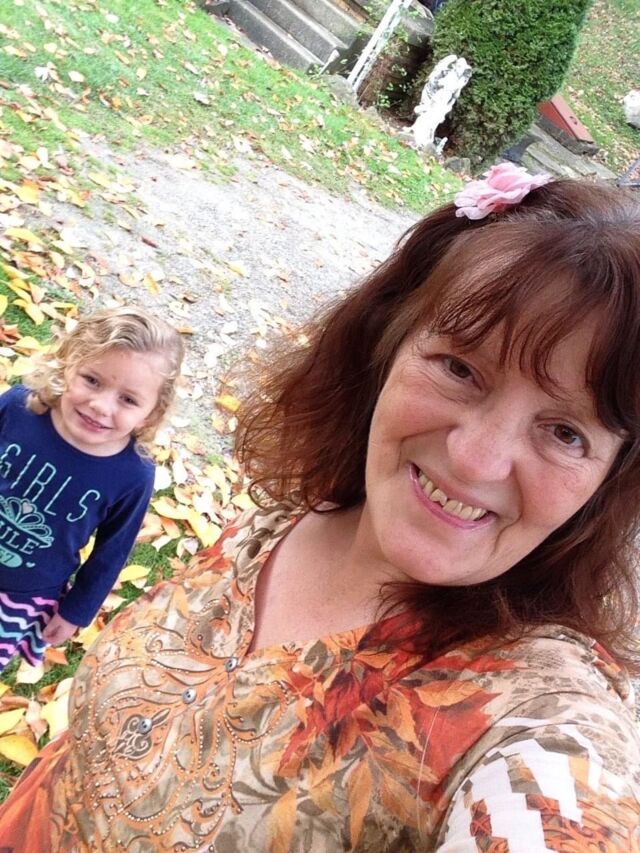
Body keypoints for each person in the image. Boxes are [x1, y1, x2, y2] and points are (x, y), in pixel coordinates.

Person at [0, 166, 639, 850]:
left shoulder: (532, 715)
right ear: (386, 344)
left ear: (610, 481)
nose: (476, 460)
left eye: (565, 432)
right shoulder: (297, 514)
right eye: (460, 368)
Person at [0, 306, 183, 672]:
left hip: (19, 598)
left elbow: (111, 552)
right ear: (67, 364)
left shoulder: (133, 475)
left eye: (128, 399)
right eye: (92, 380)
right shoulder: (20, 409)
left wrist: (76, 611)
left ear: (151, 412)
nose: (100, 406)